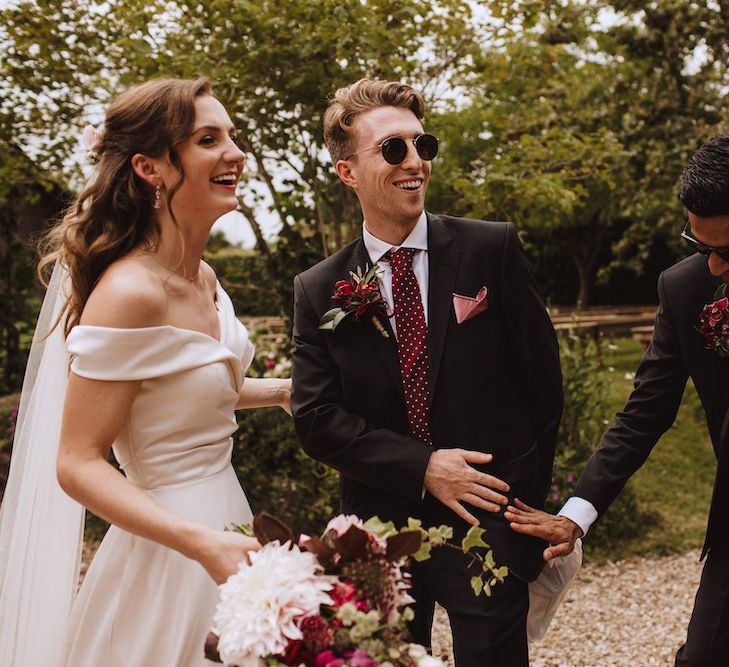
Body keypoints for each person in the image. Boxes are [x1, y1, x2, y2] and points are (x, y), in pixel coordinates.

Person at [0, 77, 291, 666]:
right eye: (208, 139)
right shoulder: (131, 292)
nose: (235, 152)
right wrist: (198, 543)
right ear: (151, 168)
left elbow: (185, 399)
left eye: (232, 136)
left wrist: (284, 391)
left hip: (228, 519)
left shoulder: (203, 276)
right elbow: (77, 461)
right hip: (171, 547)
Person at [291, 79, 563, 665]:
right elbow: (316, 419)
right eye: (393, 149)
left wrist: (524, 504)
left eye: (423, 145)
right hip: (380, 532)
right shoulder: (318, 289)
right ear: (347, 172)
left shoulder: (492, 248)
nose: (416, 161)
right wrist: (423, 467)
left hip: (490, 522)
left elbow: (544, 384)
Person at [505, 135, 729, 665]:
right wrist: (575, 516)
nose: (714, 268)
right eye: (702, 248)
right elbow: (644, 414)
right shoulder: (686, 289)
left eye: (726, 251)